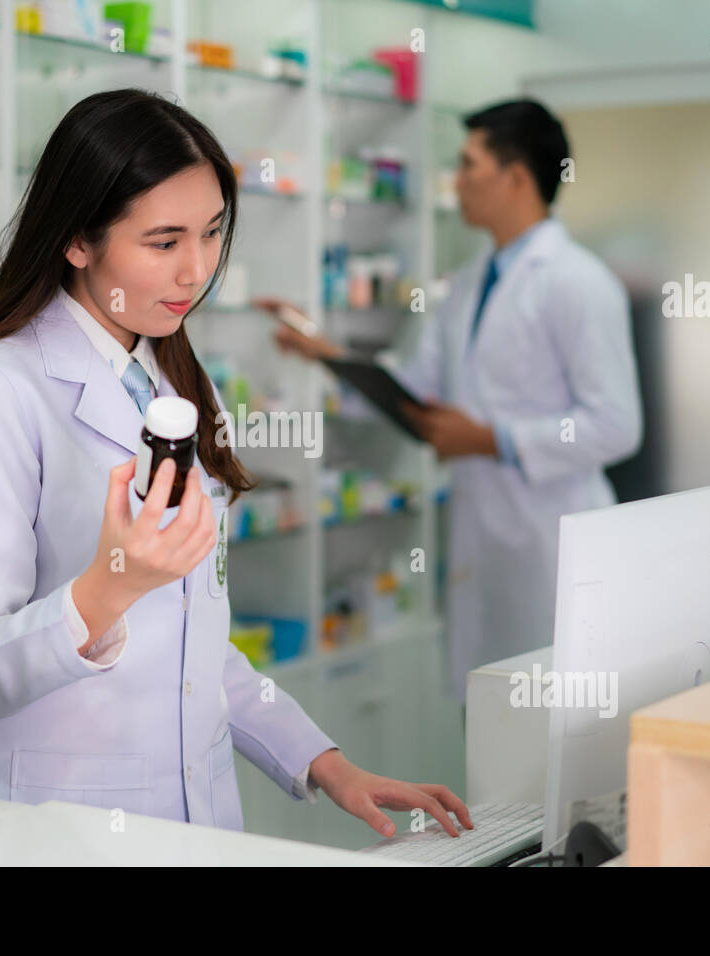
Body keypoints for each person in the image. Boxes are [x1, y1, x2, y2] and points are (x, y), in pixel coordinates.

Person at [0, 89, 471, 839]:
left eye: (212, 233)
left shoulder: (168, 378)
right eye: (164, 243)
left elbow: (192, 640)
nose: (197, 270)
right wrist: (107, 591)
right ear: (77, 240)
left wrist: (326, 763)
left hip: (192, 823)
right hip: (50, 829)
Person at [261, 98, 643, 715]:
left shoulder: (577, 281)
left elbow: (617, 425)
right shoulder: (467, 285)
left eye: (468, 165)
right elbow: (415, 393)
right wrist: (323, 352)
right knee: (494, 739)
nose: (456, 181)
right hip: (482, 547)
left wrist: (493, 439)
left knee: (558, 746)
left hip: (556, 549)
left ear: (516, 176)